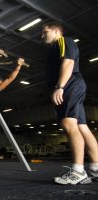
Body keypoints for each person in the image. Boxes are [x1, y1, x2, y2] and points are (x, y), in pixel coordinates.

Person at [42, 22, 98, 185]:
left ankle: (78, 171)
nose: (42, 35)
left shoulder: (64, 41)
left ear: (56, 31)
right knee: (82, 127)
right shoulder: (55, 48)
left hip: (69, 84)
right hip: (72, 84)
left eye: (45, 32)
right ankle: (95, 168)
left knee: (68, 124)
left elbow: (68, 62)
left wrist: (60, 87)